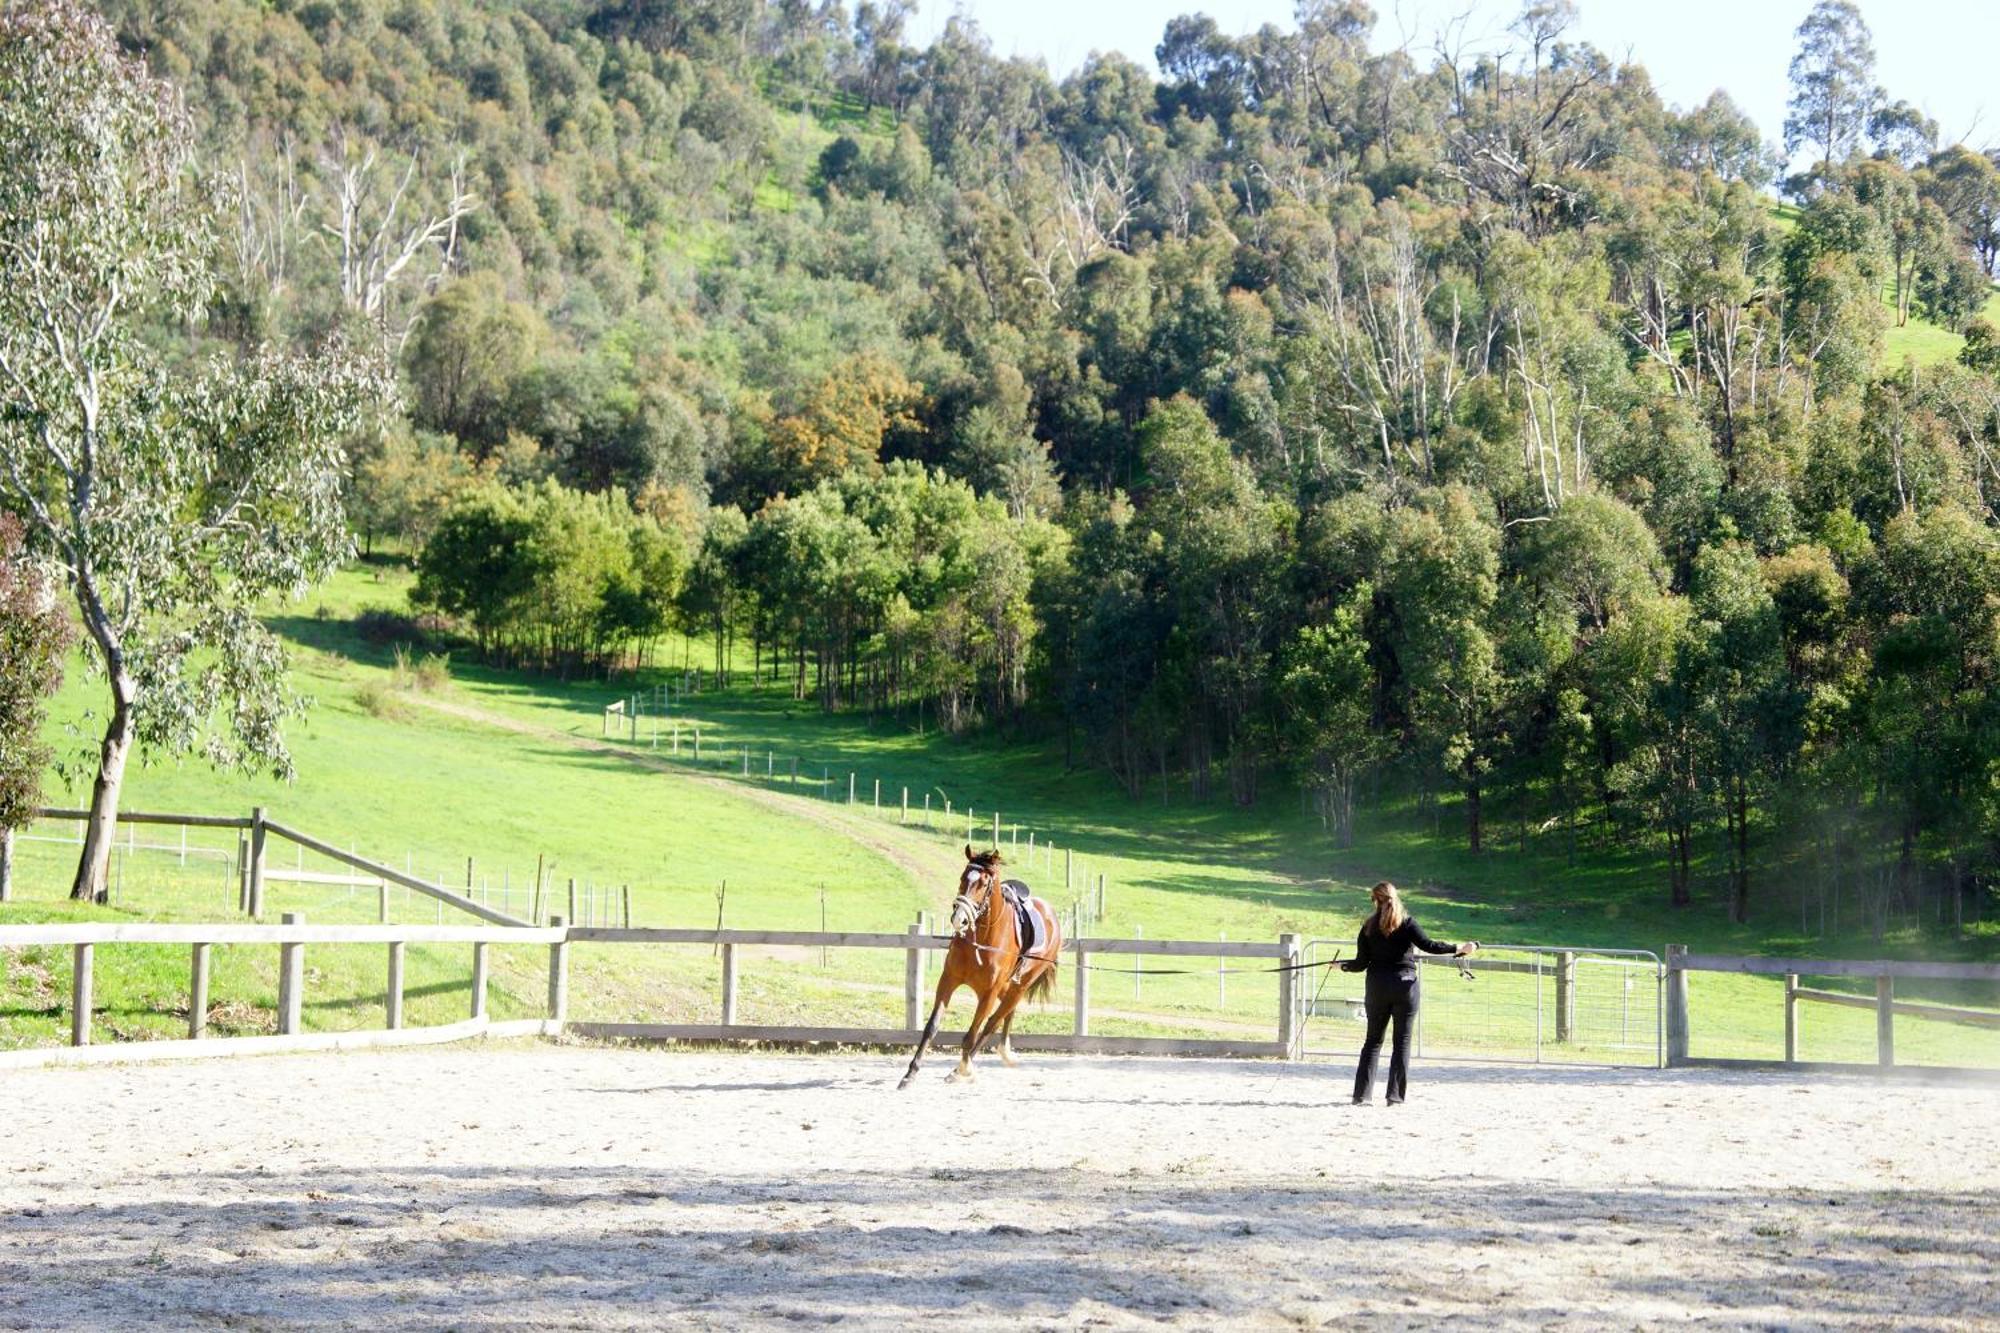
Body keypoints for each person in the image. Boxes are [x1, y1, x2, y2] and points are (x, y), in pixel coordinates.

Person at [1340, 881, 1476, 1106]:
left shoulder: (1368, 927)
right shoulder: (1408, 923)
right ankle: (1394, 1097)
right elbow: (1430, 945)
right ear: (1396, 897)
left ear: (1375, 900)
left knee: (1372, 1041)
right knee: (1401, 1043)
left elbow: (1360, 964)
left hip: (1377, 987)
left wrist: (1342, 966)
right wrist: (1459, 947)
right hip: (1405, 987)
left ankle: (1361, 1096)